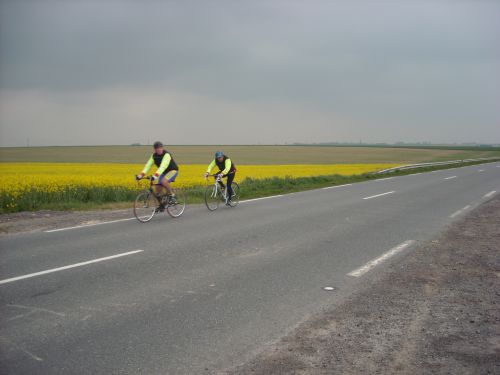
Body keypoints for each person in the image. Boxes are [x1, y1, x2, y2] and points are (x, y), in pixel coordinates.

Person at [137, 142, 179, 208]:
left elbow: (163, 166)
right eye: (157, 148)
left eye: (160, 148)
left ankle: (172, 196)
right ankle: (162, 205)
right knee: (157, 188)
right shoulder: (154, 156)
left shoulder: (166, 155)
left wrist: (155, 175)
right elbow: (148, 166)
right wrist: (141, 175)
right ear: (155, 150)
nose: (159, 149)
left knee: (163, 181)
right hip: (164, 172)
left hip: (173, 170)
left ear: (162, 148)